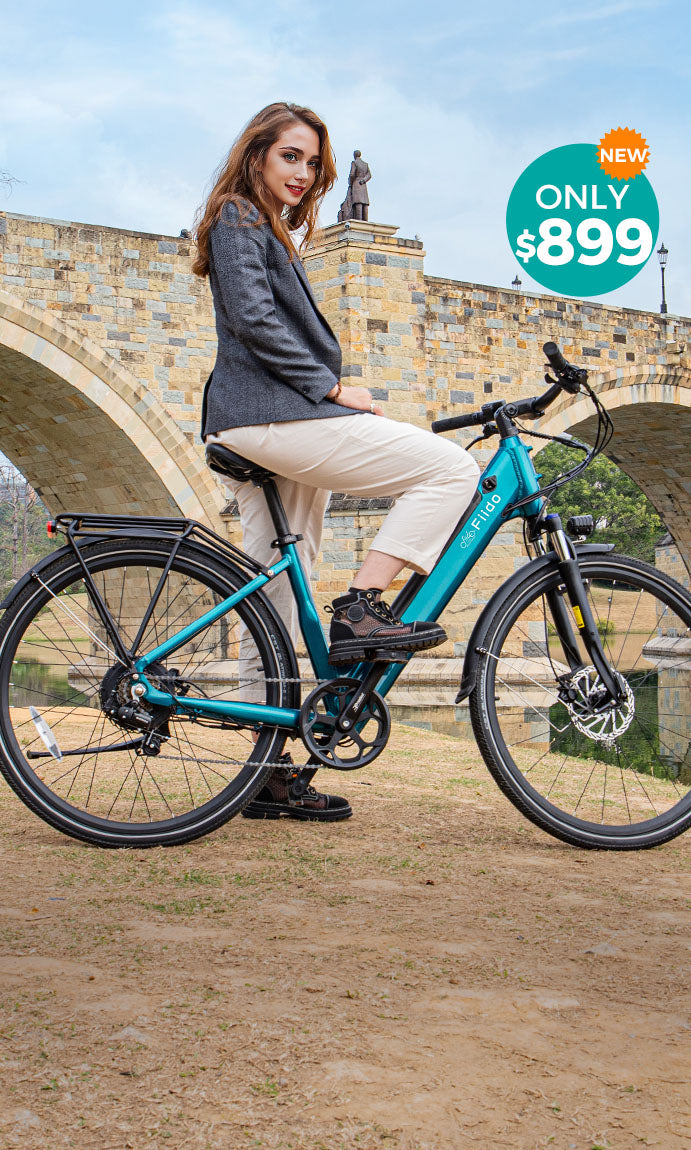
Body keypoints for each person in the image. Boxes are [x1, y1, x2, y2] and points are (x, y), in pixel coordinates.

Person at [192, 103, 480, 821]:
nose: (304, 173)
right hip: (273, 417)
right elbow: (254, 320)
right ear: (256, 153)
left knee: (273, 599)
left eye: (313, 162)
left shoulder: (268, 229)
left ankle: (264, 772)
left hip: (270, 421)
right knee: (450, 471)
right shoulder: (237, 216)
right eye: (290, 156)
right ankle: (360, 608)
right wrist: (330, 388)